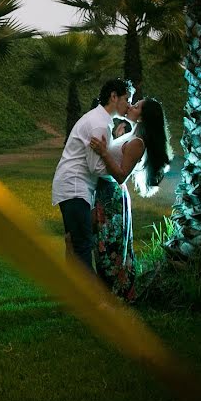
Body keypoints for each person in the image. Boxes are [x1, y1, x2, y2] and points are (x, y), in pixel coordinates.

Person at [89, 98, 172, 302]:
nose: (131, 107)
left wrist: (102, 152)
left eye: (136, 106)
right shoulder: (132, 134)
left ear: (142, 117)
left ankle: (114, 293)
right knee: (102, 244)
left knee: (109, 247)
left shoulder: (137, 142)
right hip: (105, 193)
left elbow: (121, 175)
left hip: (112, 197)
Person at [52, 78, 133, 272]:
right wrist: (120, 172)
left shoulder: (100, 119)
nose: (129, 104)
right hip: (75, 188)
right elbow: (96, 167)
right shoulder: (99, 124)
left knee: (74, 243)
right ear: (113, 96)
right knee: (82, 245)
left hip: (73, 187)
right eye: (126, 99)